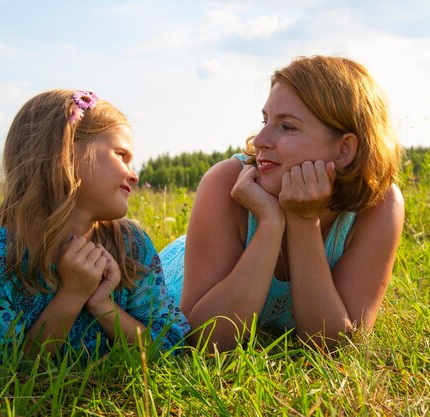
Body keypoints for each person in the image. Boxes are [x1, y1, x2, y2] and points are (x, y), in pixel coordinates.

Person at [160, 55, 404, 351]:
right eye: (265, 120)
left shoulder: (380, 205)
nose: (261, 139)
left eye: (287, 126)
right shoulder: (225, 182)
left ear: (344, 150)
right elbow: (204, 341)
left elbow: (334, 347)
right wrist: (270, 223)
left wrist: (303, 222)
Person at [0, 89, 189, 361]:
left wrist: (103, 306)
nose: (134, 175)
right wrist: (72, 294)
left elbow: (173, 346)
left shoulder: (131, 244)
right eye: (121, 155)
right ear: (65, 153)